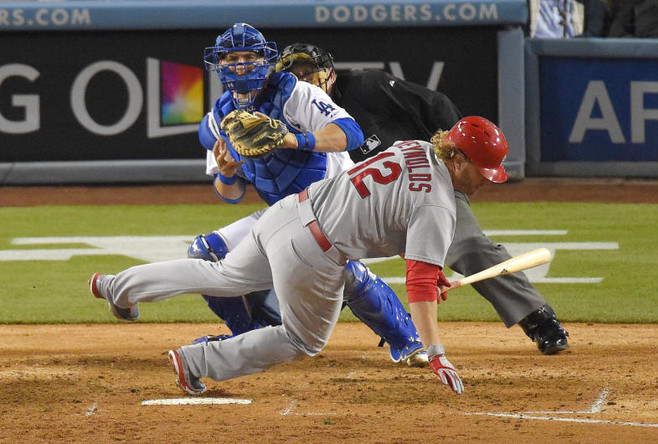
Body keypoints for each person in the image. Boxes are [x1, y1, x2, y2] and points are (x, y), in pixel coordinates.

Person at [89, 115, 509, 396]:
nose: (487, 182)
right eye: (482, 170)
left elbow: (390, 209)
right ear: (455, 157)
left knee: (220, 275)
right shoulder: (439, 206)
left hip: (286, 214)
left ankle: (117, 287)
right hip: (314, 251)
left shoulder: (416, 147)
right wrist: (436, 351)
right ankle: (195, 361)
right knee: (303, 339)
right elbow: (416, 280)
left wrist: (428, 265)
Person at [97, 23, 428, 367]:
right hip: (285, 213)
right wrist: (226, 174)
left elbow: (351, 133)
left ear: (265, 61)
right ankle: (249, 336)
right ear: (219, 65)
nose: (241, 65)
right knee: (205, 253)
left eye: (249, 57)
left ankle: (408, 340)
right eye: (232, 58)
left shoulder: (296, 94)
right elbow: (231, 194)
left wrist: (293, 140)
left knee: (337, 267)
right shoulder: (218, 119)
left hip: (336, 202)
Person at [274, 43, 569, 355]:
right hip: (367, 207)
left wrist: (454, 165)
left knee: (468, 246)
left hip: (424, 182)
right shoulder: (290, 121)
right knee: (305, 249)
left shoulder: (365, 87)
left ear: (330, 74)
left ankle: (539, 319)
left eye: (309, 72)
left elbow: (434, 103)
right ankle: (395, 329)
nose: (302, 80)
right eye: (294, 76)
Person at [527, 0, 610, 37]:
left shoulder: (592, 4)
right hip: (534, 58)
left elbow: (593, 37)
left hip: (572, 59)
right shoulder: (525, 3)